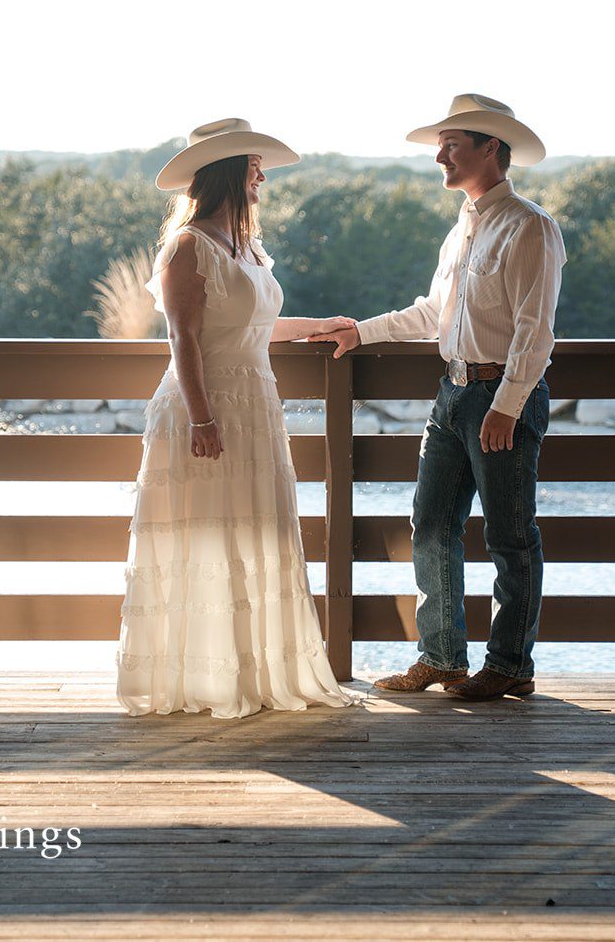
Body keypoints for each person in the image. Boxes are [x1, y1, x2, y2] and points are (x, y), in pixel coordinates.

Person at [310, 95, 566, 702]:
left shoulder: (530, 226)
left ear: (491, 150)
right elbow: (432, 313)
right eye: (439, 145)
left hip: (499, 398)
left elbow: (536, 329)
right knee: (429, 525)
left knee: (509, 537)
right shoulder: (462, 229)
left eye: (452, 145)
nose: (439, 157)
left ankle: (510, 667)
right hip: (450, 393)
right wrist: (360, 332)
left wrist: (507, 404)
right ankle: (444, 659)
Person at [117, 117, 360, 719]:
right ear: (229, 171)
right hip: (205, 409)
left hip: (256, 404)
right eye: (254, 165)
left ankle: (253, 672)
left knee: (256, 532)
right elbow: (185, 339)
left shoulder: (247, 247)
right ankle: (203, 678)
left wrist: (321, 326)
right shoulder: (188, 246)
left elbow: (252, 328)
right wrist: (202, 420)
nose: (262, 175)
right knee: (206, 534)